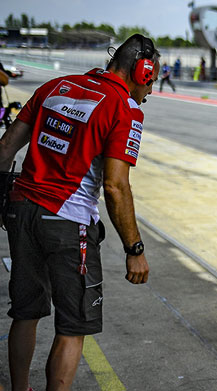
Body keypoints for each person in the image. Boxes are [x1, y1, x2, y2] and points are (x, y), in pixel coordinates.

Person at [0, 33, 158, 391]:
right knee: (73, 328)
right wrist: (135, 250)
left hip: (21, 210)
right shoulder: (125, 108)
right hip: (68, 222)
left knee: (25, 313)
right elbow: (116, 188)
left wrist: (2, 201)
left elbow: (6, 147)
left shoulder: (55, 86)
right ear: (143, 71)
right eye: (153, 81)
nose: (150, 91)